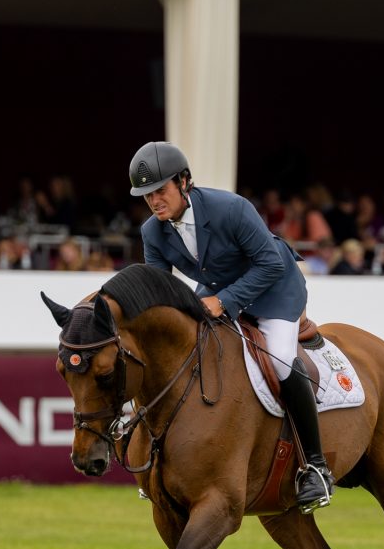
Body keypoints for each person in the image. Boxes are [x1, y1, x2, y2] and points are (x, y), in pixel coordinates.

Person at [129, 141, 334, 514]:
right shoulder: (152, 232)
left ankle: (316, 468)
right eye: (147, 196)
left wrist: (223, 302)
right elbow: (159, 290)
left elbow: (270, 265)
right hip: (216, 291)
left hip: (275, 290)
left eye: (160, 191)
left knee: (283, 360)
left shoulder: (231, 208)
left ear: (184, 182)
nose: (154, 201)